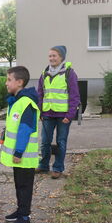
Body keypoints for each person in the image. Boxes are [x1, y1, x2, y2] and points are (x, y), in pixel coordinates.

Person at [0, 66, 40, 223]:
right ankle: (20, 210)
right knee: (19, 184)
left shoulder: (26, 103)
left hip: (24, 156)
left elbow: (25, 129)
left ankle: (25, 218)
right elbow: (15, 126)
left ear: (20, 82)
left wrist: (18, 152)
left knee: (24, 186)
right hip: (20, 158)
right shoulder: (16, 101)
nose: (6, 83)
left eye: (9, 79)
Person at [36, 45, 80, 179]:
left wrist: (70, 115)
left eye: (54, 55)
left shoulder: (69, 73)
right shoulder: (44, 74)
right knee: (45, 142)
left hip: (63, 116)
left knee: (61, 142)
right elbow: (40, 94)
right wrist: (41, 112)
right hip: (47, 115)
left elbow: (74, 96)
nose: (52, 58)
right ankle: (43, 166)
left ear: (61, 57)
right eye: (50, 56)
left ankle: (57, 168)